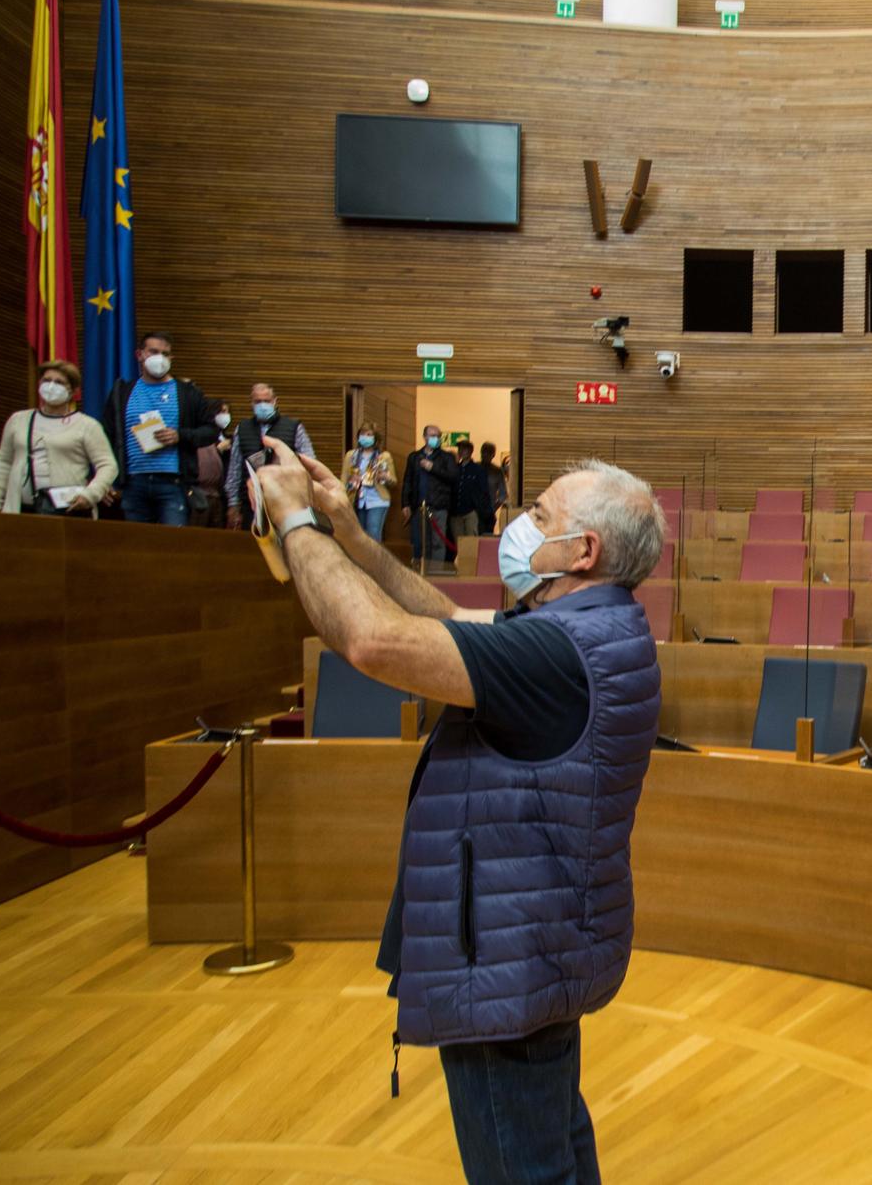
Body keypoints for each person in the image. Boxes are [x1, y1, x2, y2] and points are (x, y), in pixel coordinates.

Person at [245, 438, 666, 1185]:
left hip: (505, 963)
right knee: (553, 1146)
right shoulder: (590, 629)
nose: (521, 524)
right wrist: (350, 532)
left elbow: (372, 642)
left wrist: (291, 523)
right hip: (537, 947)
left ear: (582, 550)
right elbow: (447, 622)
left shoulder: (558, 654)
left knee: (521, 1167)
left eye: (540, 514)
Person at [100, 331, 214, 526]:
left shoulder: (188, 392)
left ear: (171, 358)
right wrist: (107, 479)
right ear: (139, 355)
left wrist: (180, 435)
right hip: (133, 482)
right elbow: (107, 437)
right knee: (136, 545)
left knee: (172, 545)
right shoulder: (122, 392)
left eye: (165, 354)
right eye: (153, 351)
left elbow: (210, 431)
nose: (160, 358)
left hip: (174, 483)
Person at [0, 360, 116, 516]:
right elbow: (3, 462)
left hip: (67, 511)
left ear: (73, 391)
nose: (51, 386)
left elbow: (108, 465)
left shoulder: (87, 425)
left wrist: (91, 494)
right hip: (19, 510)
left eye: (59, 382)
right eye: (46, 380)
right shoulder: (18, 420)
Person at [224, 383, 315, 530]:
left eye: (266, 401)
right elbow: (234, 470)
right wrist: (233, 504)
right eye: (258, 402)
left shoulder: (293, 427)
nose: (262, 405)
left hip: (286, 502)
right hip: (251, 503)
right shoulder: (242, 429)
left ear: (274, 401)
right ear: (251, 403)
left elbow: (310, 464)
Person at [403, 424, 458, 568]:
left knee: (437, 542)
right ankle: (418, 571)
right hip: (418, 506)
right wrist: (405, 504)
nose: (435, 439)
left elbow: (453, 477)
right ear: (424, 437)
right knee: (419, 541)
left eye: (438, 436)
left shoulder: (446, 458)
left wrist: (432, 467)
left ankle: (436, 573)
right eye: (432, 435)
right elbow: (408, 481)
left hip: (438, 506)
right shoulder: (414, 457)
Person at [345, 424, 396, 541]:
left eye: (369, 435)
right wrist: (350, 483)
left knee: (373, 533)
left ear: (375, 438)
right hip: (357, 500)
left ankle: (376, 559)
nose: (365, 437)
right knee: (361, 536)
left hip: (378, 499)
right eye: (362, 434)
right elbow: (344, 479)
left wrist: (385, 477)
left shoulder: (384, 457)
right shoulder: (351, 456)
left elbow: (393, 481)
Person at [192, 397, 234, 528]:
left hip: (220, 494)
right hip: (201, 494)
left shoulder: (231, 439)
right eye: (221, 412)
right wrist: (217, 450)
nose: (225, 416)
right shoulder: (200, 436)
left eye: (226, 412)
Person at [450, 439, 491, 542]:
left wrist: (479, 509)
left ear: (470, 451)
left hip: (471, 511)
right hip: (455, 512)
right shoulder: (455, 469)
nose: (462, 451)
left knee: (471, 541)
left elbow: (483, 491)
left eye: (464, 449)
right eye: (460, 449)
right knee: (458, 541)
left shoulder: (478, 469)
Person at [480, 441, 507, 535]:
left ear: (493, 454)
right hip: (473, 512)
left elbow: (503, 495)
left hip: (489, 511)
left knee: (486, 537)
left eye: (488, 452)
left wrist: (493, 507)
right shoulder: (475, 467)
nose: (485, 455)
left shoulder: (497, 471)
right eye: (483, 451)